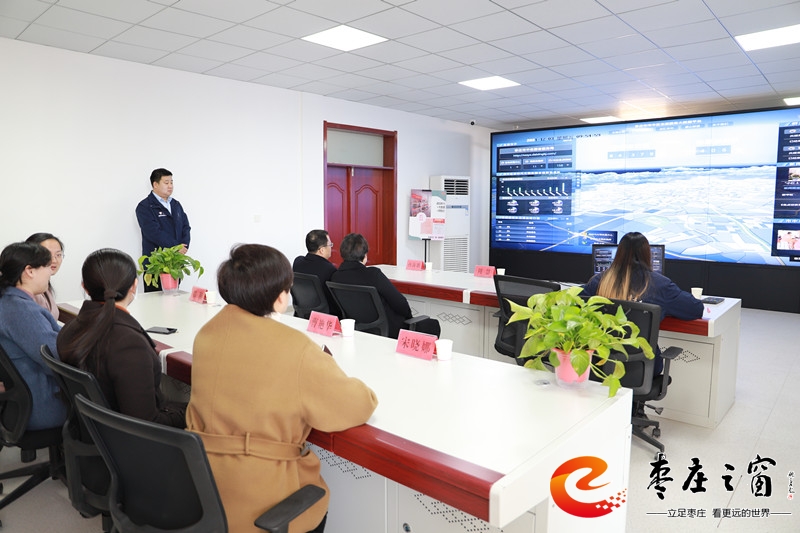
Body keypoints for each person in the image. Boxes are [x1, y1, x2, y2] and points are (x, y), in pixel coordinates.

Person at [186, 244, 377, 533]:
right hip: (263, 501)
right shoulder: (294, 346)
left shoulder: (206, 334)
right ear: (280, 297)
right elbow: (357, 405)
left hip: (201, 490)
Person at [56, 249, 186, 427]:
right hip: (132, 437)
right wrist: (194, 414)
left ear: (84, 286)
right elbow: (144, 423)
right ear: (134, 285)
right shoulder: (128, 344)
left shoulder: (69, 329)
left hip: (92, 429)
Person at [582, 232, 703, 374]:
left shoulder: (599, 281)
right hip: (643, 371)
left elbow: (576, 305)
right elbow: (696, 309)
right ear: (647, 255)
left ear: (619, 254)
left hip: (600, 366)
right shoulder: (660, 285)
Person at [0, 242, 67, 430]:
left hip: (24, 403)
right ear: (29, 271)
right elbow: (57, 360)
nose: (50, 273)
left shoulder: (9, 301)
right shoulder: (22, 311)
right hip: (43, 407)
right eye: (47, 266)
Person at [330, 233, 441, 339]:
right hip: (389, 330)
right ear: (364, 256)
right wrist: (409, 317)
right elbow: (400, 303)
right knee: (432, 325)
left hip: (358, 329)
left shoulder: (335, 277)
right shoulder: (373, 274)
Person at [135, 168, 191, 292]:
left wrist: (184, 246)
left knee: (173, 299)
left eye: (171, 182)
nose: (170, 186)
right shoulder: (145, 206)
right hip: (155, 265)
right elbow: (153, 232)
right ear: (155, 184)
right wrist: (176, 246)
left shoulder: (176, 205)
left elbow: (185, 227)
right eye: (166, 183)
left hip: (174, 264)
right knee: (154, 301)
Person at [292, 229, 340, 316]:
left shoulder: (297, 262)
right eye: (330, 245)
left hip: (302, 313)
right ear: (322, 250)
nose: (331, 248)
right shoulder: (329, 269)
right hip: (324, 316)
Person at [25, 232, 65, 321]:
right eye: (47, 255)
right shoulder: (27, 289)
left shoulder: (44, 284)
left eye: (58, 255)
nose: (54, 260)